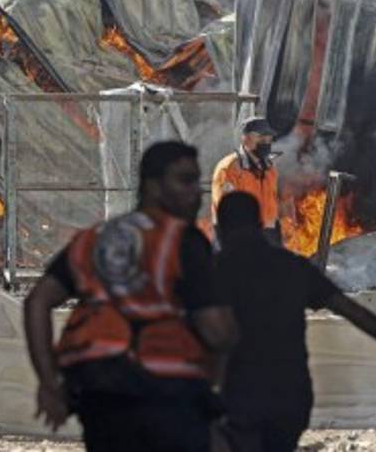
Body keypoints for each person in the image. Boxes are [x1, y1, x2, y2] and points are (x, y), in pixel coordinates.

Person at [23, 141, 237, 452]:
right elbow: (216, 329)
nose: (196, 193)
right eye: (185, 180)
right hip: (166, 390)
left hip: (97, 390)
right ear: (152, 186)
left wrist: (48, 382)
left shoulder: (95, 237)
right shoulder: (183, 239)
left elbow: (37, 301)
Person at [214, 192, 376, 452]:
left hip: (242, 397)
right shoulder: (292, 268)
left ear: (220, 230)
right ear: (259, 224)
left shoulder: (213, 272)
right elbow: (353, 311)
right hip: (292, 397)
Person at [210, 117, 281, 243]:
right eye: (260, 137)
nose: (266, 141)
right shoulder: (229, 169)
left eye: (269, 137)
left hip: (266, 235)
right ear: (245, 138)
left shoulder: (270, 169)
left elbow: (272, 204)